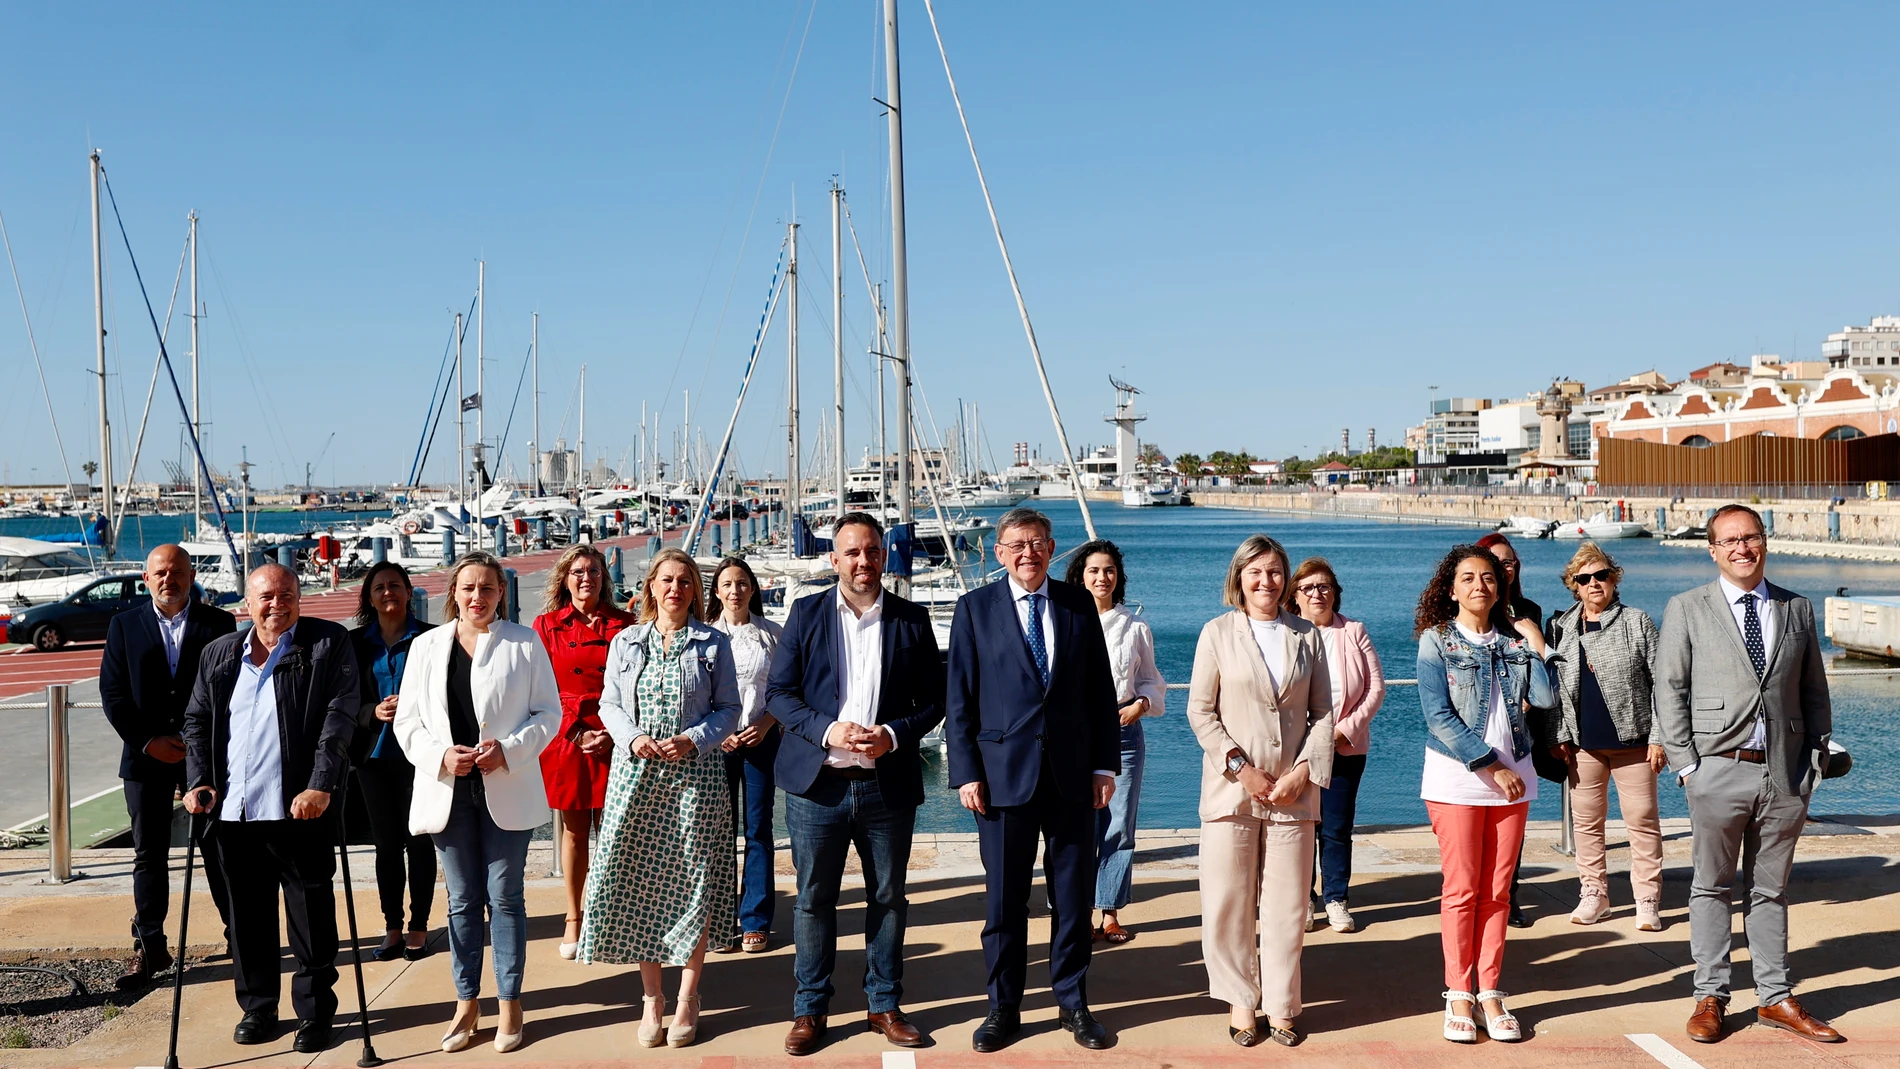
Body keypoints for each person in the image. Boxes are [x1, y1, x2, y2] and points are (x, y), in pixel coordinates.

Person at [1655, 505, 1842, 1044]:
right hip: (1717, 770)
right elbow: (1670, 690)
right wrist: (1689, 765)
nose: (1743, 547)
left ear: (1765, 542)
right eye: (1730, 540)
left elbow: (1814, 693)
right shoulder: (1688, 607)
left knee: (1770, 890)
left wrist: (1813, 762)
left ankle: (1775, 998)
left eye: (1752, 537)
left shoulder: (1797, 608)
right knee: (1710, 886)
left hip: (1784, 775)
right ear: (1712, 549)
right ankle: (1710, 995)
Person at [767, 513, 945, 1056]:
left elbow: (936, 702)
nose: (863, 562)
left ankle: (884, 1004)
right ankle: (810, 1009)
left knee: (889, 898)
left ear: (885, 556)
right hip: (817, 785)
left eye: (872, 551)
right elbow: (779, 694)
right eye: (852, 553)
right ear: (834, 559)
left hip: (886, 787)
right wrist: (827, 730)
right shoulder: (805, 614)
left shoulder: (913, 620)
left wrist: (894, 734)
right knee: (814, 900)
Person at [946, 507, 1119, 1053]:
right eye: (1017, 544)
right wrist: (966, 772)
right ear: (999, 553)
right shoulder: (974, 610)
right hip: (1000, 782)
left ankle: (1073, 1003)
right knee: (1004, 904)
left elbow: (1099, 694)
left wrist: (1103, 765)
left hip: (1071, 779)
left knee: (1072, 898)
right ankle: (1004, 1008)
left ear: (1051, 549)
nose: (1028, 552)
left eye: (1039, 543)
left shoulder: (1076, 606)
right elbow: (960, 699)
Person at [181, 563, 358, 1054]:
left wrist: (321, 784)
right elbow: (196, 721)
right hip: (234, 813)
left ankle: (315, 1013)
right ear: (248, 603)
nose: (278, 605)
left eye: (288, 595)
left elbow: (339, 717)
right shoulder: (220, 653)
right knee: (246, 918)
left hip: (300, 811)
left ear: (300, 597)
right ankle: (258, 1007)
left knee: (310, 917)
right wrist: (198, 781)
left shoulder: (326, 644)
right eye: (267, 597)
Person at [395, 551, 559, 1053]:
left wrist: (507, 751)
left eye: (488, 588)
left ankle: (510, 1001)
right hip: (449, 791)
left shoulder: (524, 643)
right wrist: (442, 755)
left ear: (501, 594)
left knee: (506, 897)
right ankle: (467, 1001)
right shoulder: (425, 647)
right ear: (454, 593)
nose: (478, 597)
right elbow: (408, 722)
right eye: (469, 588)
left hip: (504, 787)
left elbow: (548, 714)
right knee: (462, 901)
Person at [584, 548, 740, 1049]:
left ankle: (689, 998)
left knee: (694, 883)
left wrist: (694, 737)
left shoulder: (713, 643)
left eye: (685, 581)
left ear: (696, 591)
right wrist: (631, 738)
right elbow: (609, 703)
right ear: (650, 587)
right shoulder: (626, 641)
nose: (675, 589)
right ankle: (652, 997)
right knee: (636, 883)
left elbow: (729, 709)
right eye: (666, 580)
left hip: (696, 779)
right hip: (636, 778)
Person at [1188, 535, 1335, 1048]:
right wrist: (1241, 768)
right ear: (1239, 577)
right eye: (1255, 571)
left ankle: (1282, 1005)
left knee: (1288, 907)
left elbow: (1323, 715)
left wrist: (1303, 772)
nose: (1265, 581)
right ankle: (1239, 999)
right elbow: (1200, 713)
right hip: (1233, 793)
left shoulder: (1307, 635)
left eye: (1274, 572)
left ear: (1285, 578)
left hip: (1294, 793)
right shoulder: (1216, 633)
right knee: (1229, 901)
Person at [1414, 544, 1553, 1044]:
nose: (1480, 586)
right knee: (1463, 889)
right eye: (1469, 578)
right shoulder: (1437, 642)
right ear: (1451, 589)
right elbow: (1438, 717)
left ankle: (1490, 989)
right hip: (1460, 777)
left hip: (1514, 777)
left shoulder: (1515, 641)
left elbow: (1544, 698)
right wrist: (1491, 765)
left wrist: (1534, 642)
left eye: (1490, 578)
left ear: (1502, 587)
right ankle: (1459, 992)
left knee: (1497, 891)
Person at [100, 544, 236, 986]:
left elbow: (230, 690)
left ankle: (240, 936)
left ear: (191, 574)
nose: (169, 579)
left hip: (205, 756)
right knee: (149, 855)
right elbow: (114, 694)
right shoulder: (124, 625)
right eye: (160, 572)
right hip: (145, 758)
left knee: (220, 850)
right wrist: (146, 741)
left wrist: (201, 748)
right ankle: (151, 946)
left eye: (177, 571)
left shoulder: (219, 623)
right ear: (146, 578)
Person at [1537, 542, 1666, 930]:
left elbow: (1662, 682)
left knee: (1642, 821)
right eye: (1584, 578)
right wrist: (1556, 734)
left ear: (1614, 579)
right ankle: (1595, 894)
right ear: (1573, 585)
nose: (1594, 583)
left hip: (1634, 740)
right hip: (1582, 743)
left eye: (1602, 575)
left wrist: (1660, 736)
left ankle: (1646, 899)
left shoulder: (1636, 621)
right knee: (1587, 823)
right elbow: (1554, 685)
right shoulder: (1562, 627)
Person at [532, 544, 637, 960]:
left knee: (616, 835)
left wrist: (615, 731)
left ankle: (610, 915)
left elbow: (636, 686)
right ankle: (574, 917)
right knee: (575, 831)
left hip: (618, 735)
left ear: (603, 578)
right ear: (564, 578)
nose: (585, 578)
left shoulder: (626, 624)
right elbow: (538, 690)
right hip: (567, 736)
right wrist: (576, 731)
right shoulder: (545, 625)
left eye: (593, 571)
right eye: (577, 571)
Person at [1065, 539, 1165, 945]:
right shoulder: (1065, 619)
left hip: (1122, 731)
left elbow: (1152, 683)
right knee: (1076, 826)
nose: (1102, 577)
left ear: (1118, 577)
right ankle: (1077, 912)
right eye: (1093, 570)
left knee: (1119, 826)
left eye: (1108, 570)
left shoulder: (1135, 626)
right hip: (1074, 735)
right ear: (1080, 576)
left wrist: (1141, 705)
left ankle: (1109, 911)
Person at [1284, 556, 1383, 934]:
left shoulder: (1353, 631)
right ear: (1296, 596)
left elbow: (1375, 689)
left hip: (1345, 746)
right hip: (1296, 752)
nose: (1317, 594)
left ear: (1335, 593)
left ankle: (1336, 898)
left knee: (1337, 828)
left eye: (1324, 586)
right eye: (1308, 588)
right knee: (1302, 825)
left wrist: (1344, 731)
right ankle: (1304, 899)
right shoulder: (1287, 632)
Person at [348, 561, 435, 963]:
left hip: (420, 755)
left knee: (419, 841)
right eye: (380, 587)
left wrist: (412, 708)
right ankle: (392, 927)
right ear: (369, 596)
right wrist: (372, 712)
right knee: (385, 847)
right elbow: (343, 698)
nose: (388, 593)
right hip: (373, 756)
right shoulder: (353, 643)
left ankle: (419, 925)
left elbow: (446, 695)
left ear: (408, 591)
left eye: (396, 586)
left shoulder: (431, 639)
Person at [707, 556, 784, 955]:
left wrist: (767, 724)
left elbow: (787, 690)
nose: (734, 590)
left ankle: (755, 919)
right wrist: (717, 734)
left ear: (752, 588)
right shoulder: (703, 636)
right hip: (717, 745)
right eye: (727, 584)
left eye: (742, 583)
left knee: (758, 830)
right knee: (718, 833)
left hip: (760, 741)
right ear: (717, 592)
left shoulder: (773, 634)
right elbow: (698, 696)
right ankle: (720, 919)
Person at [1475, 531, 1539, 929]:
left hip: (1520, 731)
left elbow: (1539, 665)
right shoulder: (1468, 610)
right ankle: (1477, 897)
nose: (1505, 569)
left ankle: (1507, 896)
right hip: (1478, 731)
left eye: (1510, 562)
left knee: (1511, 822)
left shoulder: (1528, 609)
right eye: (1496, 563)